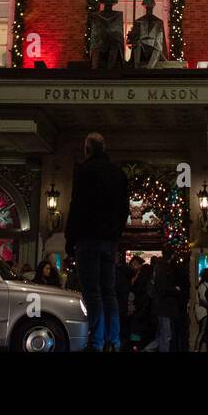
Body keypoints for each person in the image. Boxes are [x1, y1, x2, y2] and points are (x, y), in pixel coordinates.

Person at [64, 132, 130, 352]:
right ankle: (114, 340)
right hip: (109, 241)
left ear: (88, 149)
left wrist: (70, 238)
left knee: (92, 291)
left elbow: (77, 207)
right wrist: (116, 234)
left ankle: (97, 341)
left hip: (88, 238)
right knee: (108, 291)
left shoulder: (84, 171)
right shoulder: (118, 173)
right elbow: (124, 209)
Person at [150, 255, 182, 351]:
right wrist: (175, 290)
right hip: (164, 308)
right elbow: (163, 289)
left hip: (159, 307)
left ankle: (147, 349)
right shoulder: (164, 269)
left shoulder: (157, 271)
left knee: (161, 335)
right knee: (166, 335)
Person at [193, 267, 208, 351]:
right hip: (203, 312)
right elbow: (203, 298)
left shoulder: (204, 285)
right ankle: (197, 349)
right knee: (203, 331)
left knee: (204, 331)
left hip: (204, 311)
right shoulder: (203, 286)